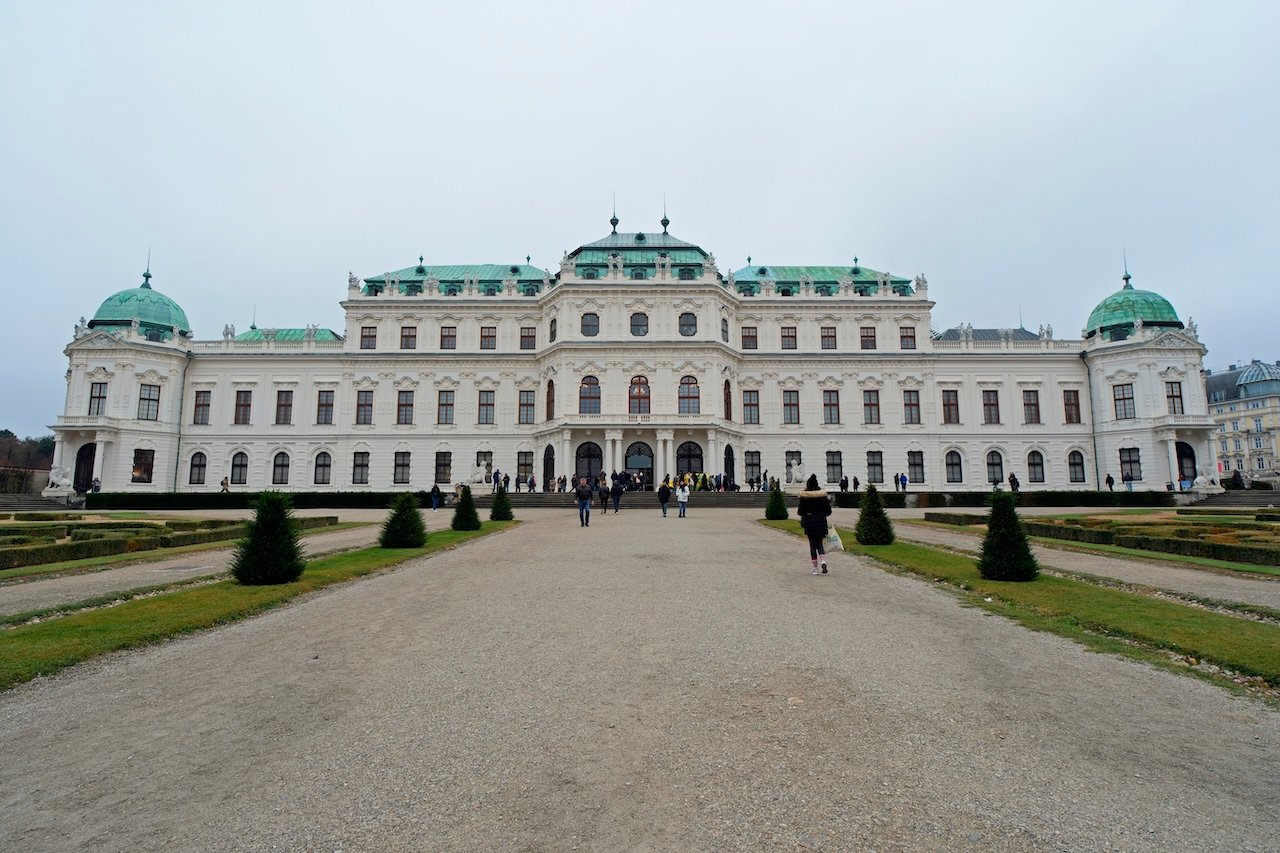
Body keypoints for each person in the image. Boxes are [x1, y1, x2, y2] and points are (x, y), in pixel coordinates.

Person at [798, 473, 833, 575]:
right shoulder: (822, 496)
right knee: (820, 543)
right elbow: (828, 512)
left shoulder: (805, 496)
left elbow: (800, 512)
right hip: (821, 521)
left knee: (812, 545)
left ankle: (815, 568)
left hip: (810, 522)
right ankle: (823, 561)